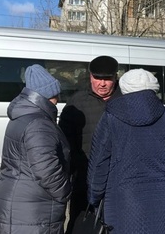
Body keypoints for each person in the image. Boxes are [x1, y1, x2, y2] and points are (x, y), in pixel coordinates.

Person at [87, 68, 165, 233]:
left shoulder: (110, 118)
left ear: (124, 88)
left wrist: (94, 198)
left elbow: (98, 166)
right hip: (163, 204)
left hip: (123, 205)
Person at [0, 64, 72, 234]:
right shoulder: (39, 124)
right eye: (56, 94)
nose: (57, 99)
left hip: (15, 201)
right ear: (48, 95)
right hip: (32, 210)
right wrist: (65, 192)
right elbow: (47, 170)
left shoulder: (22, 116)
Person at [58, 55, 122, 233]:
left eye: (107, 79)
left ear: (115, 77)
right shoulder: (76, 103)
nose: (102, 84)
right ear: (90, 77)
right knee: (81, 226)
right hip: (84, 182)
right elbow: (64, 144)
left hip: (117, 183)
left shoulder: (126, 101)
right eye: (97, 78)